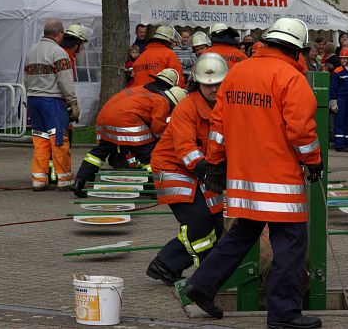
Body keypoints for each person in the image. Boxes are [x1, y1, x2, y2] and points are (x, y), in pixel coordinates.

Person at [184, 18, 323, 329]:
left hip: (242, 178)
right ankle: (284, 314)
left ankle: (201, 285)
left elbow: (218, 124)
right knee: (291, 244)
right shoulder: (291, 78)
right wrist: (314, 161)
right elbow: (301, 132)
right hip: (279, 181)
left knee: (241, 235)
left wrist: (215, 162)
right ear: (297, 50)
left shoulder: (238, 73)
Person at [146, 53, 228, 286]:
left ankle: (165, 266)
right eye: (207, 84)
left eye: (218, 84)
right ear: (197, 83)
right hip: (172, 168)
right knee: (200, 222)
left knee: (216, 221)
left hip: (199, 170)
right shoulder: (187, 108)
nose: (213, 89)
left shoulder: (225, 106)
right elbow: (185, 148)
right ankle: (205, 275)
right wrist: (208, 170)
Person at [71, 72, 186, 197]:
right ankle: (153, 187)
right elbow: (157, 128)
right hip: (127, 121)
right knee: (150, 154)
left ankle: (80, 182)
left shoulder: (139, 89)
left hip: (105, 118)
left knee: (98, 154)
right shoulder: (162, 101)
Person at [24, 18, 79, 191]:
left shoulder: (31, 52)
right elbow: (65, 81)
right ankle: (64, 179)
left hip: (33, 99)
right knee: (58, 140)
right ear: (59, 33)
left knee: (40, 140)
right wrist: (73, 102)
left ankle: (39, 180)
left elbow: (26, 78)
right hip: (52, 100)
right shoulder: (59, 52)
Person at [48, 24, 89, 185]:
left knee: (50, 139)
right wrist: (72, 105)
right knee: (62, 139)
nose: (83, 47)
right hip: (59, 102)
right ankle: (58, 174)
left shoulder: (61, 53)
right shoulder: (65, 56)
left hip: (50, 101)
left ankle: (51, 174)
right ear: (77, 43)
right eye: (82, 43)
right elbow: (65, 84)